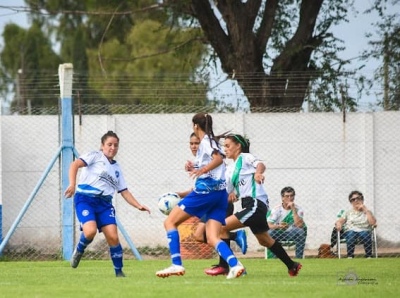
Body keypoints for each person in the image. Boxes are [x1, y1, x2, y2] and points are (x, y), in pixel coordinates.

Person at [156, 113, 245, 279]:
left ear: (195, 126)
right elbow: (214, 162)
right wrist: (194, 166)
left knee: (170, 222)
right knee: (212, 237)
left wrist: (202, 170)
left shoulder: (205, 142)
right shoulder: (211, 142)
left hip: (205, 193)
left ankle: (176, 264)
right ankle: (235, 265)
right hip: (220, 195)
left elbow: (218, 159)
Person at [206, 134, 301, 277]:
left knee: (221, 228)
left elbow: (261, 165)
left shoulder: (245, 157)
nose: (225, 149)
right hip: (250, 206)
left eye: (228, 145)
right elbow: (230, 194)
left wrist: (258, 173)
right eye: (224, 146)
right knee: (264, 240)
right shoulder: (230, 169)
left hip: (255, 204)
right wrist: (229, 197)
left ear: (238, 146)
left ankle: (224, 266)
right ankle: (292, 265)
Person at [64, 131, 151, 277]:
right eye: (109, 144)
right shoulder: (95, 156)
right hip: (85, 199)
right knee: (90, 231)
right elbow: (74, 165)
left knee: (113, 237)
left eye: (115, 145)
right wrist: (72, 184)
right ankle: (79, 250)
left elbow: (124, 191)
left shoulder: (117, 169)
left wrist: (138, 205)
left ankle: (119, 272)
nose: (112, 148)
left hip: (104, 204)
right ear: (102, 146)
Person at [176, 133, 247, 276]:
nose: (194, 146)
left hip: (219, 202)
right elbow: (200, 188)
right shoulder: (201, 160)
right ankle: (234, 248)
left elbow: (224, 180)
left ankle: (228, 265)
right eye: (191, 143)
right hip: (210, 202)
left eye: (196, 143)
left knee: (214, 235)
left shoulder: (212, 159)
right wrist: (178, 195)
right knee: (200, 235)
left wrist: (234, 194)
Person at [267, 187, 307, 259]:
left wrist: (293, 209)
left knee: (300, 232)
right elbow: (268, 225)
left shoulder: (298, 209)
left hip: (291, 233)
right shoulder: (277, 209)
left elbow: (300, 225)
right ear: (282, 198)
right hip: (278, 233)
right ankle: (273, 258)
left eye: (292, 196)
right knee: (270, 233)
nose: (290, 198)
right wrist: (279, 226)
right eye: (287, 196)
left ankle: (299, 258)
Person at [335, 190, 377, 258]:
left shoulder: (368, 212)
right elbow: (340, 221)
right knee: (351, 234)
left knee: (365, 235)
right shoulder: (348, 212)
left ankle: (369, 256)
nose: (356, 200)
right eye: (353, 199)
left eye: (358, 198)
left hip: (364, 229)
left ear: (362, 199)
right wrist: (339, 223)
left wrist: (365, 210)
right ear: (351, 202)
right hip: (351, 230)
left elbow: (373, 223)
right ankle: (350, 256)